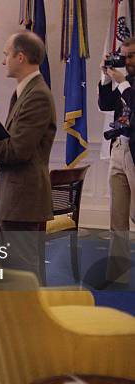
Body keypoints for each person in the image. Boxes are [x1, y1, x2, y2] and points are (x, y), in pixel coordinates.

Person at [0, 31, 56, 282]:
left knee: (23, 274)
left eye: (7, 54)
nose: (3, 60)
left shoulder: (37, 95)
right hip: (15, 197)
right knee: (16, 272)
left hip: (24, 198)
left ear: (21, 57)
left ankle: (28, 321)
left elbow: (19, 150)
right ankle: (21, 320)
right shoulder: (24, 92)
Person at [98, 37, 135, 284]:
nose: (126, 60)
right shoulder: (125, 82)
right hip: (118, 148)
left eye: (131, 55)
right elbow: (105, 104)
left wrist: (122, 84)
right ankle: (117, 273)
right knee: (117, 217)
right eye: (123, 55)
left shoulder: (128, 85)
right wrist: (106, 78)